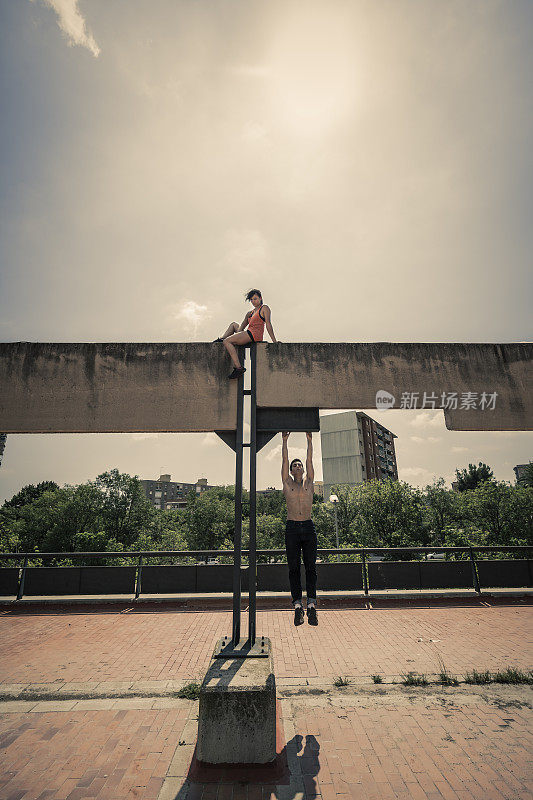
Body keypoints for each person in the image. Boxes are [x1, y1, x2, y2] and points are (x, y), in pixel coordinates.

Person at [281, 431, 318, 626]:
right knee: (294, 569)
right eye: (294, 465)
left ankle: (311, 605)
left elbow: (309, 458)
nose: (297, 466)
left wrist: (309, 440)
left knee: (311, 568)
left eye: (299, 465)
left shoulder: (309, 482)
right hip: (292, 528)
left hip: (308, 527)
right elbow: (285, 458)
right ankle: (297, 606)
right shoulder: (287, 484)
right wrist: (285, 441)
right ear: (291, 470)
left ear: (303, 469)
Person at [213, 289, 277, 379]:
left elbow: (268, 324)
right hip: (248, 332)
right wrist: (238, 332)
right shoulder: (250, 313)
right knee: (233, 325)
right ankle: (221, 339)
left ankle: (239, 368)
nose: (253, 301)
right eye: (251, 300)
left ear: (260, 298)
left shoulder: (264, 308)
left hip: (254, 335)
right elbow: (241, 328)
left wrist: (274, 342)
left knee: (227, 341)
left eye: (255, 299)